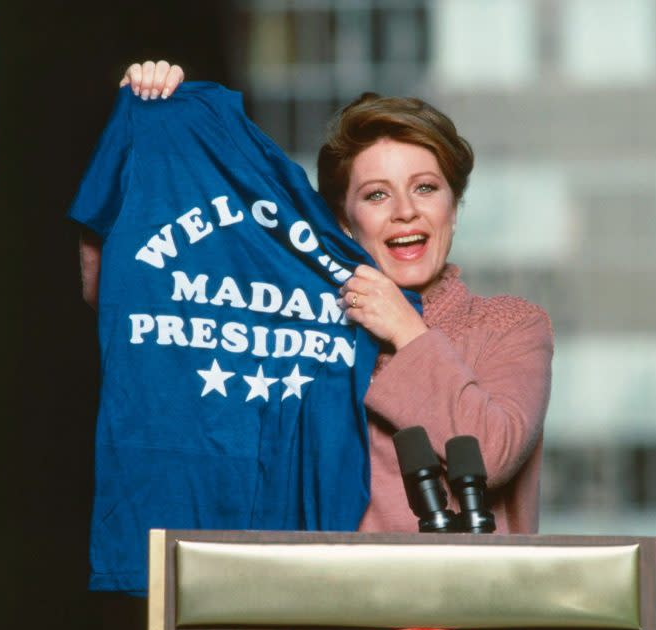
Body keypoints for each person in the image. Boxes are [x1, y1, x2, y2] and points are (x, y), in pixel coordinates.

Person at [82, 61, 553, 534]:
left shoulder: (510, 325)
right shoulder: (298, 319)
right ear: (343, 223)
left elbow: (492, 453)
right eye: (376, 196)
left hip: (462, 605)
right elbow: (130, 297)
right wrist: (143, 133)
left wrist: (408, 331)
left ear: (454, 206)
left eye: (426, 188)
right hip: (320, 604)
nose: (406, 212)